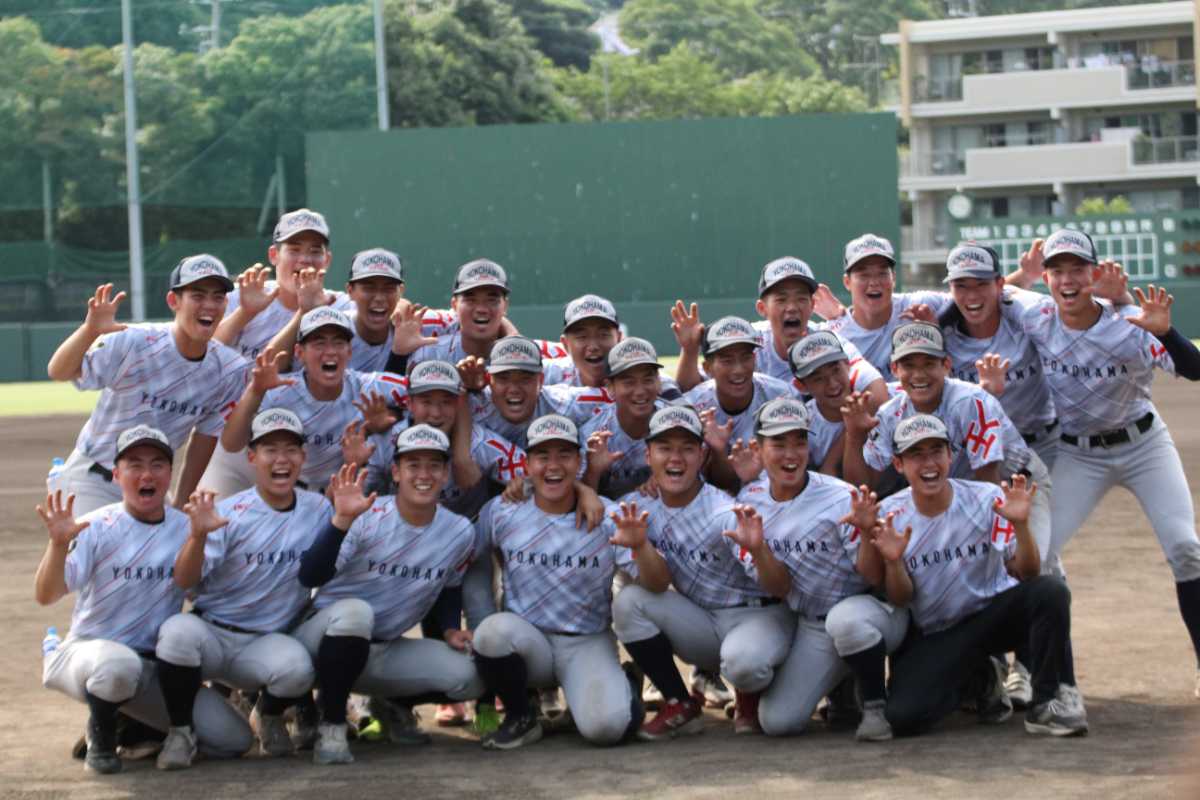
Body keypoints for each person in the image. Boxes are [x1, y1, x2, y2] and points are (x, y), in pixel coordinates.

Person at [1015, 228, 1200, 698]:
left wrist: (1165, 332)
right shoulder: (1035, 315)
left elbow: (1195, 369)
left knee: (1185, 548)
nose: (1067, 280)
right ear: (1047, 279)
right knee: (1038, 557)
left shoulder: (1130, 323)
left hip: (1144, 445)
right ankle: (1039, 675)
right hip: (1079, 453)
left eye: (1077, 269)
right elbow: (979, 295)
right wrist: (1022, 277)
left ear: (1095, 274)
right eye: (1057, 271)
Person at [36, 426, 253, 775]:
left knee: (234, 739)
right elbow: (46, 595)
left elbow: (187, 582)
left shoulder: (186, 527)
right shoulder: (96, 526)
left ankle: (134, 725)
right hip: (90, 654)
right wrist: (58, 545)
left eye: (157, 464)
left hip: (151, 668)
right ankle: (101, 736)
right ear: (117, 474)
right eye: (134, 465)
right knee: (119, 666)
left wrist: (198, 537)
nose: (147, 474)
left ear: (170, 473)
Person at [872, 414, 1086, 737]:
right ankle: (981, 678)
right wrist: (892, 563)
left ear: (951, 456)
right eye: (916, 454)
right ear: (899, 464)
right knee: (903, 717)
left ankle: (1048, 701)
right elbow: (901, 597)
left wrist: (1021, 526)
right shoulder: (890, 515)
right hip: (938, 631)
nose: (929, 463)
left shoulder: (987, 499)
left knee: (1050, 591)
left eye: (936, 451)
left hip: (992, 616)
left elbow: (1027, 571)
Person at [470, 415, 671, 749]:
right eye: (542, 456)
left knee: (607, 729)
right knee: (490, 634)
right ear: (527, 464)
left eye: (564, 455)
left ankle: (625, 684)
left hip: (585, 641)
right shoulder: (503, 509)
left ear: (579, 462)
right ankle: (521, 716)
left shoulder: (607, 516)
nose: (553, 465)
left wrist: (641, 546)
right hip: (528, 641)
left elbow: (659, 583)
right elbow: (466, 559)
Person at [152, 409, 329, 769]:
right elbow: (185, 581)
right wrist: (197, 537)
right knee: (176, 633)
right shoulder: (229, 512)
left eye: (290, 449)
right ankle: (180, 731)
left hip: (264, 643)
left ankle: (268, 713)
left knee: (297, 670)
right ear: (252, 458)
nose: (281, 459)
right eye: (270, 450)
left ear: (303, 457)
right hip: (212, 635)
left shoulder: (318, 509)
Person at [294, 427, 482, 764]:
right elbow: (310, 576)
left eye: (434, 465)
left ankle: (391, 703)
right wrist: (340, 521)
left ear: (445, 474)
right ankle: (331, 724)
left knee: (469, 675)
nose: (424, 474)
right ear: (396, 472)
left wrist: (450, 627)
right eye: (413, 465)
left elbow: (450, 585)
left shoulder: (459, 531)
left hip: (385, 649)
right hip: (323, 639)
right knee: (356, 613)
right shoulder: (366, 514)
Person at [727, 397, 909, 741]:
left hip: (871, 612)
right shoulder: (749, 502)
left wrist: (867, 533)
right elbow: (779, 588)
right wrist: (760, 550)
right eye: (778, 443)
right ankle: (842, 680)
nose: (791, 454)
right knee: (778, 722)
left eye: (799, 442)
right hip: (813, 623)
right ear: (758, 449)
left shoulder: (840, 497)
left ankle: (874, 706)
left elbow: (873, 578)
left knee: (846, 621)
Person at [611, 404, 795, 738]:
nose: (675, 458)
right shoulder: (641, 509)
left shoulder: (724, 512)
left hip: (760, 617)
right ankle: (679, 702)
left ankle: (750, 693)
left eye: (687, 448)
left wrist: (759, 551)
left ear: (702, 456)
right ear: (648, 455)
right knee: (628, 602)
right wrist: (641, 546)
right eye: (665, 448)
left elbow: (780, 588)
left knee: (744, 664)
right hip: (705, 621)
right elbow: (658, 584)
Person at [46, 257, 247, 515]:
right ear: (173, 301)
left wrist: (182, 502)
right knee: (89, 542)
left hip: (150, 487)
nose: (209, 305)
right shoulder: (133, 342)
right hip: (95, 480)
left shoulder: (229, 369)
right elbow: (59, 371)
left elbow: (205, 437)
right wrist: (89, 330)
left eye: (218, 297)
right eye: (197, 296)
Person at [220, 307, 407, 494]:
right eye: (319, 343)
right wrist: (255, 390)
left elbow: (421, 395)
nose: (330, 352)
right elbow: (231, 444)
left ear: (349, 351)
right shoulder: (278, 391)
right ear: (299, 352)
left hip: (345, 492)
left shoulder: (370, 388)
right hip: (286, 490)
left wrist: (392, 418)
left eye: (338, 343)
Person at [214, 208, 351, 360]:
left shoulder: (342, 307)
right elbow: (206, 354)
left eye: (315, 251)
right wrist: (245, 312)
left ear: (327, 260)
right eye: (294, 250)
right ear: (274, 255)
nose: (305, 259)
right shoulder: (240, 298)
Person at [681, 316, 798, 490]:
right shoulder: (692, 407)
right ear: (707, 368)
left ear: (755, 359)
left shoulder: (782, 396)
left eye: (745, 357)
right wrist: (719, 451)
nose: (738, 369)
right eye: (727, 361)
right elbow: (718, 485)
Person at [581, 338, 667, 499]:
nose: (640, 391)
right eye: (629, 383)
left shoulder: (676, 424)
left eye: (648, 380)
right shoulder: (592, 435)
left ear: (659, 382)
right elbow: (579, 500)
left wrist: (668, 479)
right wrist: (593, 472)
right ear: (610, 388)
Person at [343, 248, 407, 373]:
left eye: (388, 289)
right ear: (350, 291)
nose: (379, 298)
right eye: (369, 288)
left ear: (400, 292)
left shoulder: (412, 329)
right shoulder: (330, 331)